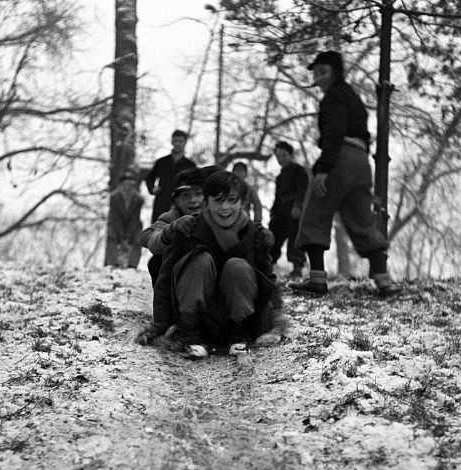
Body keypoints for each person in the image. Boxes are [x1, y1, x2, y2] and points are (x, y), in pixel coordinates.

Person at [137, 170, 285, 359]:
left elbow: (267, 277)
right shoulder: (187, 226)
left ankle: (239, 335)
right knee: (198, 259)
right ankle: (189, 334)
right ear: (208, 202)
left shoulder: (251, 232)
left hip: (233, 314)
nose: (225, 207)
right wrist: (160, 324)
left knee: (237, 266)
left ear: (241, 203)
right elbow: (165, 276)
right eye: (218, 200)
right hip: (198, 313)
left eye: (232, 200)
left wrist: (275, 318)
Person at [289, 50, 399, 297]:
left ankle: (316, 279)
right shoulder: (352, 96)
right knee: (362, 219)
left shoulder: (333, 97)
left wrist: (324, 169)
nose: (318, 78)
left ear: (335, 72)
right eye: (316, 73)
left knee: (315, 213)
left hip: (340, 156)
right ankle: (384, 281)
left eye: (323, 72)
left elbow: (335, 131)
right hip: (361, 161)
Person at [139, 167, 205, 286]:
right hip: (181, 276)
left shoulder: (218, 216)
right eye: (186, 196)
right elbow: (148, 236)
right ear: (177, 201)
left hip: (211, 275)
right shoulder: (171, 217)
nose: (193, 200)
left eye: (198, 194)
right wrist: (170, 230)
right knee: (156, 262)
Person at [269, 141, 309, 279]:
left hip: (294, 210)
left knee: (295, 239)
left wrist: (298, 206)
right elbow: (277, 196)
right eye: (278, 156)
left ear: (290, 155)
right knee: (274, 236)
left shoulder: (299, 171)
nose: (281, 159)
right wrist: (273, 212)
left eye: (284, 155)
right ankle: (268, 265)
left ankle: (297, 268)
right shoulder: (280, 176)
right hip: (281, 211)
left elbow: (303, 190)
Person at [145, 129, 196, 223]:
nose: (177, 144)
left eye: (180, 141)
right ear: (172, 142)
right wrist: (152, 188)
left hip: (182, 202)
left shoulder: (190, 165)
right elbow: (149, 177)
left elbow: (195, 184)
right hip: (162, 200)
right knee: (158, 228)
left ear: (185, 143)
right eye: (175, 141)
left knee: (180, 230)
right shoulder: (162, 162)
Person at [104, 171, 144, 268]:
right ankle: (113, 263)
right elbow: (115, 218)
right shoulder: (114, 197)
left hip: (133, 226)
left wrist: (128, 236)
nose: (128, 187)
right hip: (116, 225)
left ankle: (132, 265)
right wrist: (122, 238)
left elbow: (135, 219)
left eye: (131, 184)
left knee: (138, 237)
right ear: (121, 184)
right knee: (111, 233)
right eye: (126, 184)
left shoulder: (139, 199)